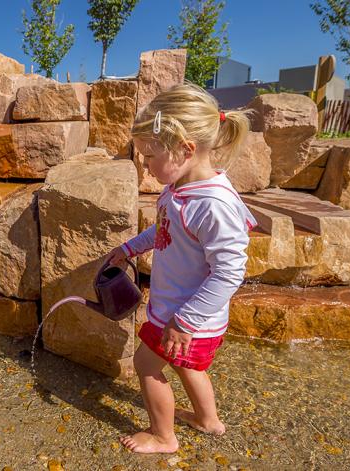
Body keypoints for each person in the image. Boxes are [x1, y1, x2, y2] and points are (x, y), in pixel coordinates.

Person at [106, 82, 257, 454]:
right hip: (185, 314)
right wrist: (129, 248)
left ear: (185, 150)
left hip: (185, 316)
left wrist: (184, 321)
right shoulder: (179, 189)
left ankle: (163, 436)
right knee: (189, 366)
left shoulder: (212, 204)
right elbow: (163, 228)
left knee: (146, 364)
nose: (145, 165)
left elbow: (229, 272)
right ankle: (209, 421)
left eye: (150, 156)